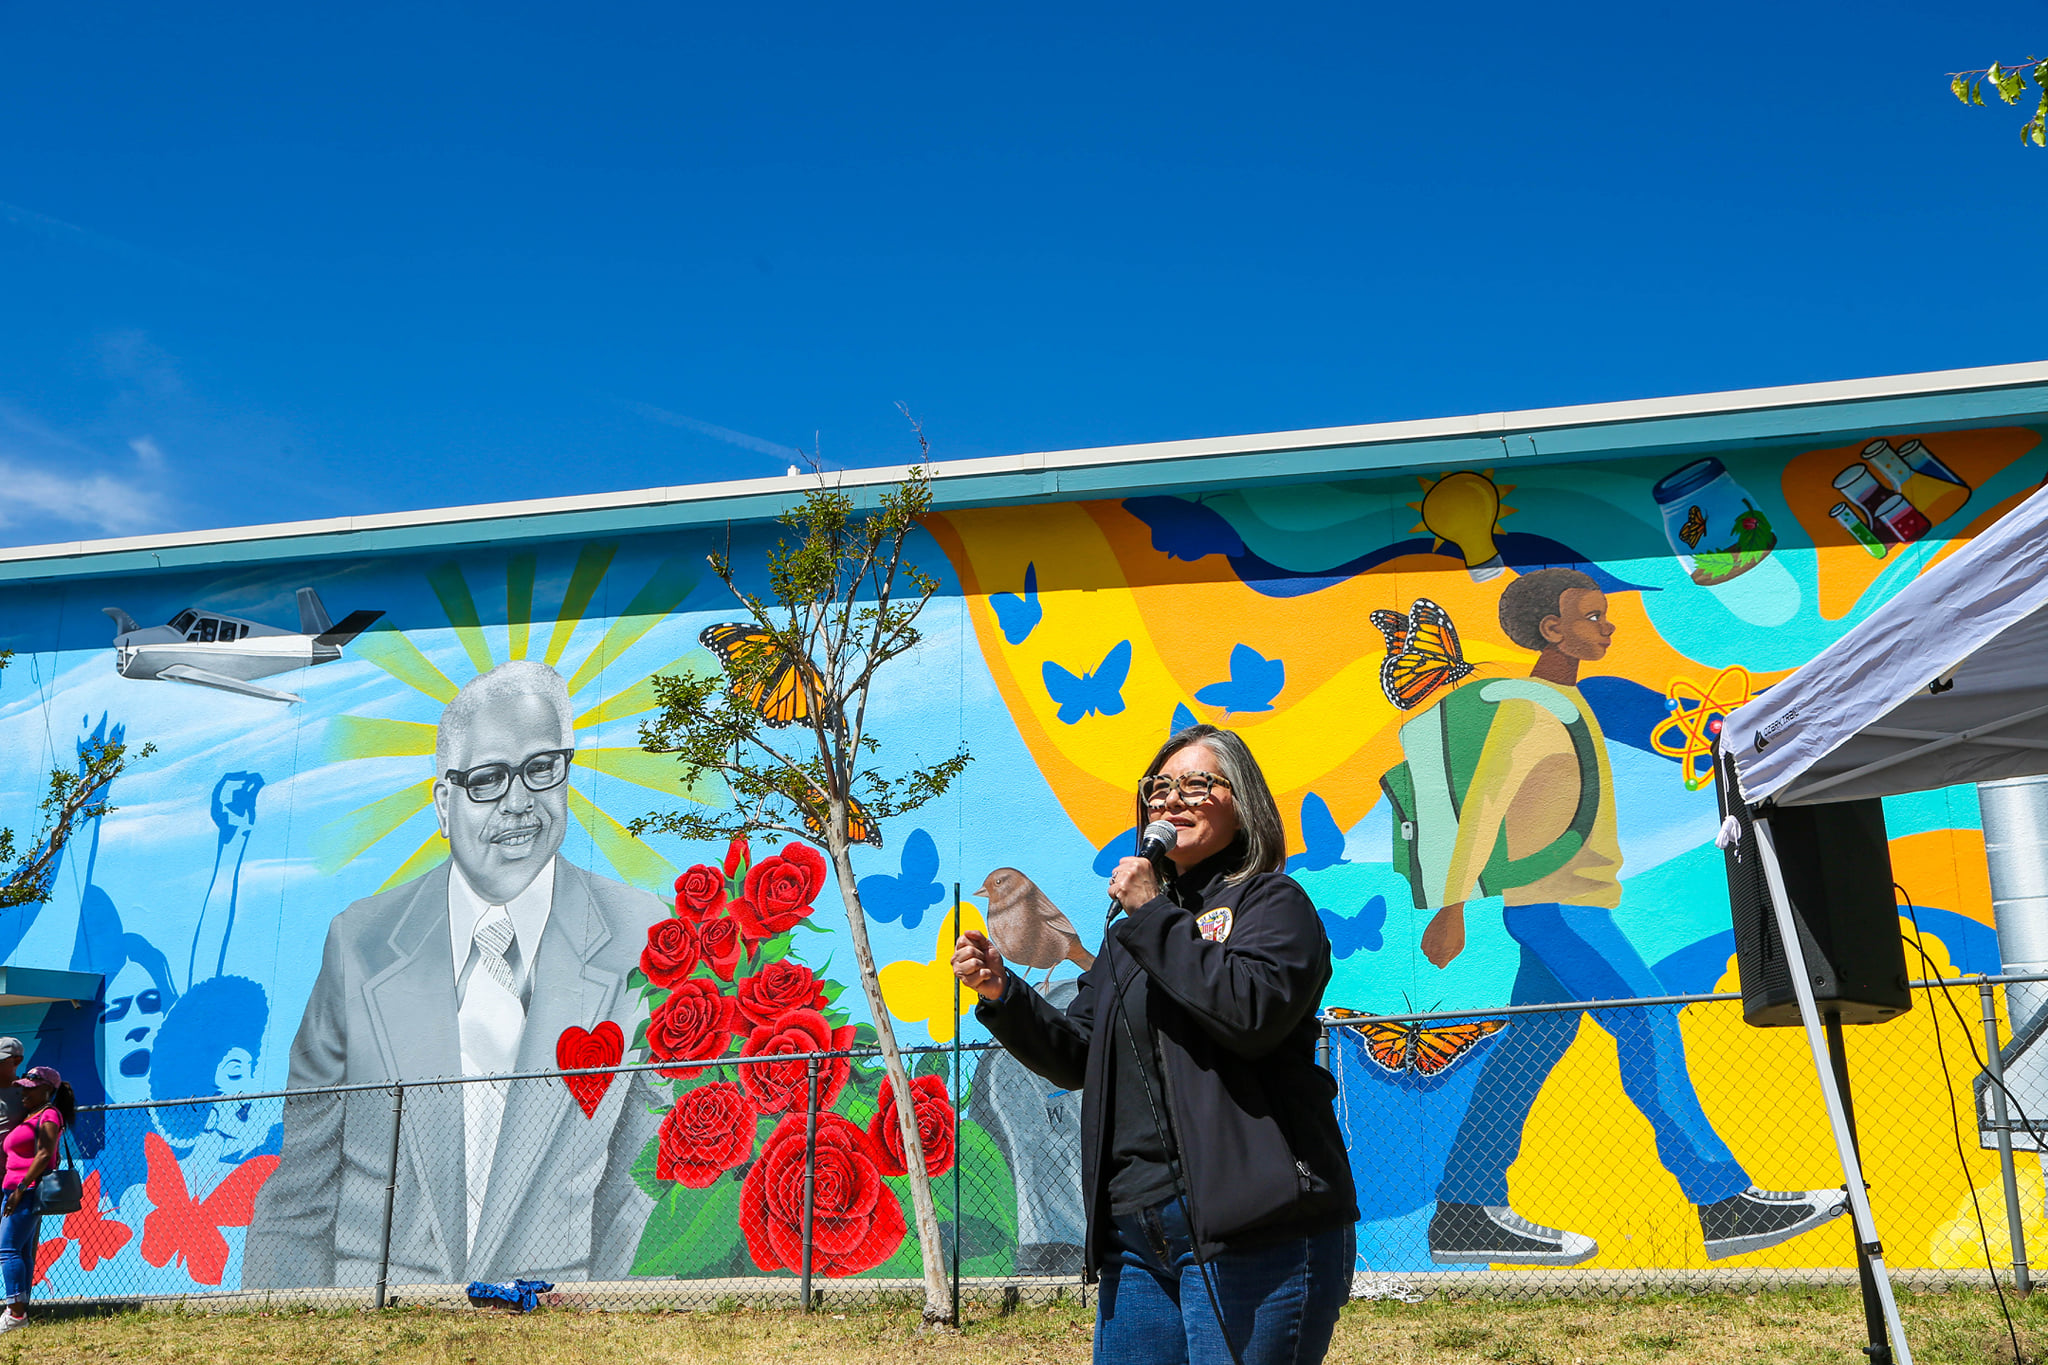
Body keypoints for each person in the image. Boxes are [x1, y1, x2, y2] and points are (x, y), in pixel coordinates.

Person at [1417, 568, 1846, 1264]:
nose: (1606, 626)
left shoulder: (1582, 703)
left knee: (1527, 1051)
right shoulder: (1528, 709)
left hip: (1560, 905)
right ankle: (1721, 1199)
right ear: (1551, 629)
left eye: (1605, 614)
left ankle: (1463, 1209)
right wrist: (1450, 909)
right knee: (1648, 1018)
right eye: (1590, 616)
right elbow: (1480, 807)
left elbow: (1674, 731)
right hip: (1558, 907)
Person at [245, 661, 666, 1289]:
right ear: (445, 801)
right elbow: (303, 1190)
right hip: (379, 1324)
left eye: (541, 768)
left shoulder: (643, 935)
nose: (519, 802)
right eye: (489, 779)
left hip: (563, 1325)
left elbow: (647, 1183)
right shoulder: (358, 944)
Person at [955, 724, 1357, 1365]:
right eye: (1158, 788)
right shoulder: (1133, 936)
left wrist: (1149, 915)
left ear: (1243, 801)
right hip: (1138, 1232)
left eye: (1197, 784)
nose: (1171, 800)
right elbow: (1076, 1054)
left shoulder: (1272, 905)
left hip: (1250, 1229)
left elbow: (1250, 1012)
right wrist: (1004, 995)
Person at [0, 1067, 73, 1332]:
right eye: (23, 1087)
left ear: (47, 1090)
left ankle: (15, 1313)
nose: (23, 1092)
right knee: (20, 1250)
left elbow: (44, 1154)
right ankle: (21, 1310)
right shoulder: (30, 1115)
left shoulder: (49, 1115)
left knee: (6, 1249)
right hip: (15, 1190)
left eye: (30, 1088)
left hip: (27, 1191)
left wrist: (20, 1189)